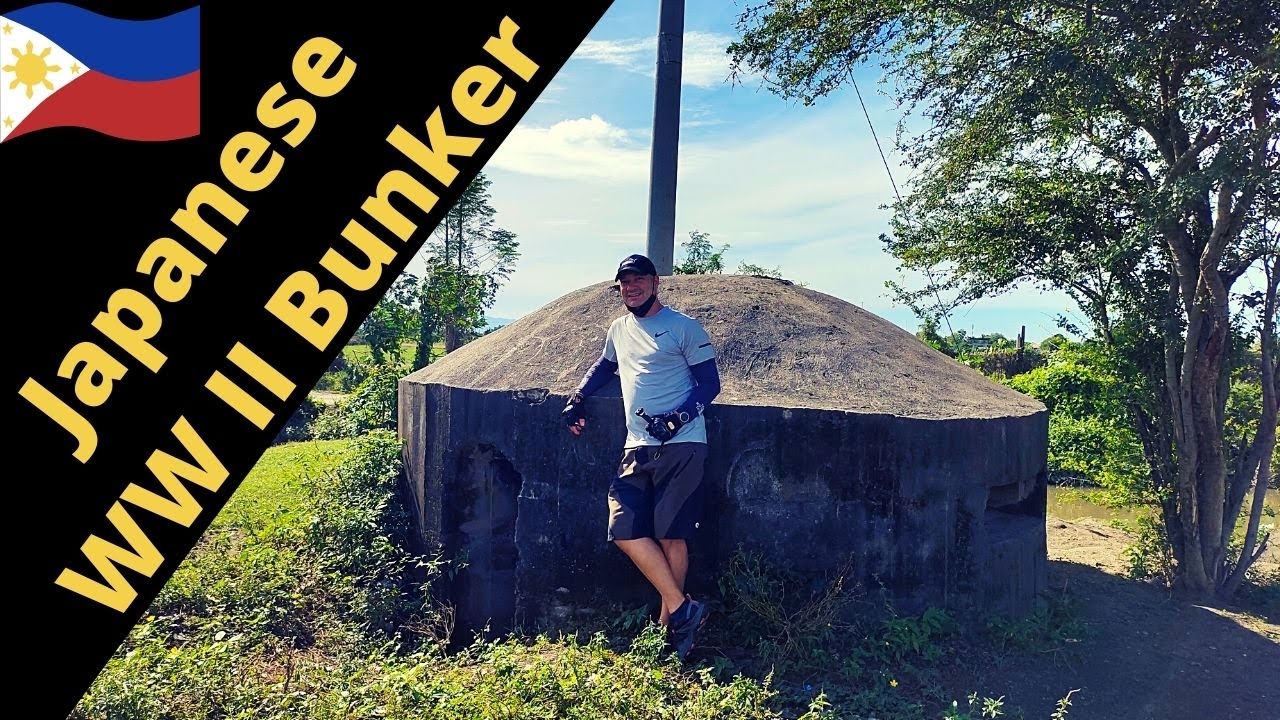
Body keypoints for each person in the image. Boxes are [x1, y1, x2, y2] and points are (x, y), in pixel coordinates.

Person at [561, 253, 722, 660]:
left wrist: (678, 417)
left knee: (671, 534)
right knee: (623, 528)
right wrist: (578, 399)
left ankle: (669, 631)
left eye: (638, 280)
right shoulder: (619, 328)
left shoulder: (683, 327)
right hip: (637, 445)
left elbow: (710, 384)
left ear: (655, 283)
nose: (630, 288)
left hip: (683, 444)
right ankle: (686, 610)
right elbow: (604, 367)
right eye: (624, 283)